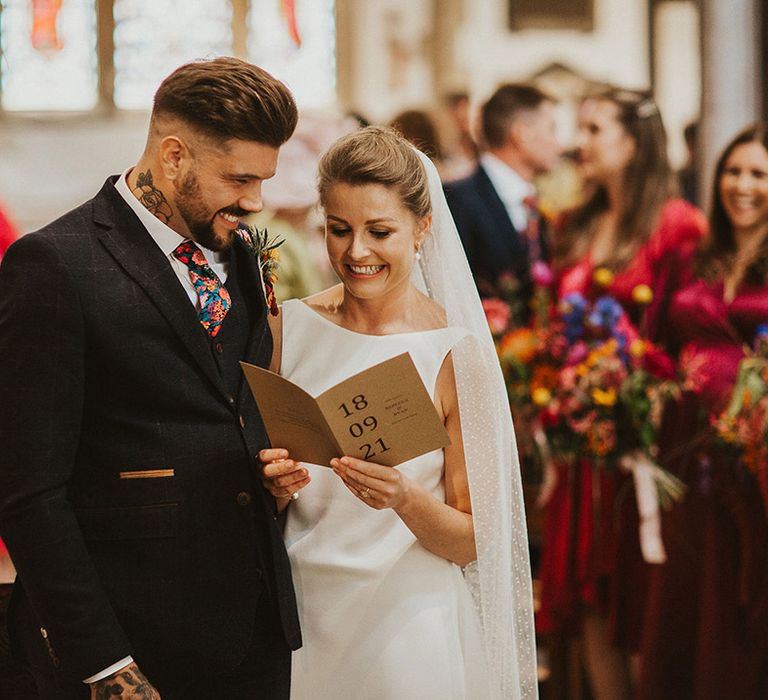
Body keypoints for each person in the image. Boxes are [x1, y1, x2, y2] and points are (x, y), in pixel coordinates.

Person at [0, 57, 301, 699]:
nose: (255, 202)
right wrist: (102, 661)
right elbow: (28, 489)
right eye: (239, 179)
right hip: (131, 638)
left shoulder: (241, 253)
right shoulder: (55, 265)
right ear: (173, 157)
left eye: (263, 180)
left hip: (251, 631)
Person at [259, 126, 537, 699]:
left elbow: (471, 540)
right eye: (339, 230)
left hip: (408, 622)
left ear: (422, 229)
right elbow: (256, 487)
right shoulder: (286, 327)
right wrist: (276, 486)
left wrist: (404, 497)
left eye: (379, 231)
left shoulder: (455, 352)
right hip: (304, 614)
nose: (356, 252)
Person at [539, 88, 707, 699]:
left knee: (637, 599)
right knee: (585, 598)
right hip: (581, 443)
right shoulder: (577, 222)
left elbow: (689, 337)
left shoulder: (677, 226)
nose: (576, 143)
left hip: (643, 442)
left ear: (634, 143)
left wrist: (628, 375)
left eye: (592, 130)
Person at [639, 124, 768, 700]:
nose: (741, 186)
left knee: (742, 582)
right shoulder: (695, 256)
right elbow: (659, 336)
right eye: (732, 172)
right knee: (689, 581)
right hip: (684, 445)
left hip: (752, 450)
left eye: (757, 174)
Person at [445, 83, 562, 317]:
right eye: (551, 129)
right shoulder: (457, 200)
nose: (558, 144)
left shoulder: (534, 205)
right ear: (521, 135)